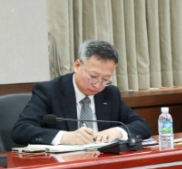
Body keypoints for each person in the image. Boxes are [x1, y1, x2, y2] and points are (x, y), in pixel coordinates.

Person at [12, 39, 151, 146]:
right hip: (64, 167)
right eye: (93, 77)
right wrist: (65, 137)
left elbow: (142, 126)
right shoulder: (49, 91)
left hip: (103, 162)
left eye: (106, 79)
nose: (97, 85)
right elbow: (21, 130)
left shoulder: (110, 93)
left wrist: (118, 132)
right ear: (77, 65)